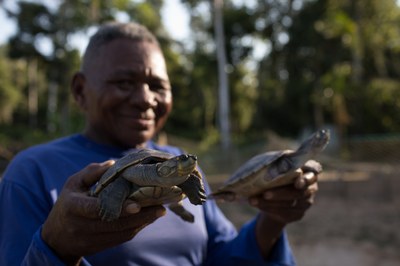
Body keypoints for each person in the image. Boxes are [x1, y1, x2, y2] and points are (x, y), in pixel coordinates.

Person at [0, 22, 320, 266]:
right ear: (81, 90)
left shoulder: (179, 162)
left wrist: (275, 218)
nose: (144, 100)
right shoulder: (32, 172)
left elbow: (223, 256)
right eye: (124, 83)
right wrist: (56, 246)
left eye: (157, 85)